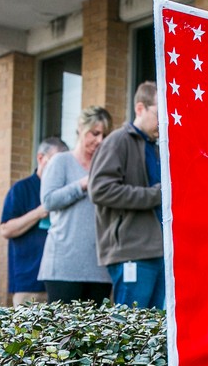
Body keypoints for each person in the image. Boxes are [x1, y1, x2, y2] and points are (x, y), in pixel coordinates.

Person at [91, 82, 165, 310]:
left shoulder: (157, 146)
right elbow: (100, 189)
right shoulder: (118, 140)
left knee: (153, 330)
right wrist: (155, 195)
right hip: (131, 252)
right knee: (130, 330)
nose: (163, 122)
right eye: (158, 114)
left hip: (159, 251)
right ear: (140, 108)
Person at [39, 106, 114, 303]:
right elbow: (48, 201)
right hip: (64, 266)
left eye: (104, 135)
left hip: (100, 267)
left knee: (95, 333)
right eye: (95, 133)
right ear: (81, 128)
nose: (99, 140)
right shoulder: (61, 161)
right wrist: (81, 185)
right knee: (63, 333)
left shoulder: (107, 166)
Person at [1, 138, 68, 306]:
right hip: (28, 280)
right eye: (55, 161)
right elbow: (6, 230)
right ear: (40, 158)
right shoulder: (21, 189)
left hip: (62, 278)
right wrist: (40, 212)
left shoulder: (66, 190)